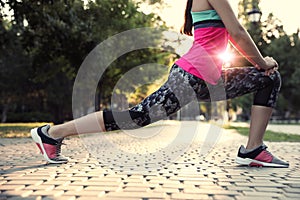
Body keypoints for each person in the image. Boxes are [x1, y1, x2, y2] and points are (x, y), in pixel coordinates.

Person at [30, 0, 289, 168]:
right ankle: (51, 134)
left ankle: (253, 149)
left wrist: (261, 67)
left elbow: (228, 37)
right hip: (189, 77)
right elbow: (238, 33)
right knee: (136, 117)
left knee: (268, 79)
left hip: (211, 79)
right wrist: (262, 62)